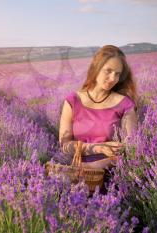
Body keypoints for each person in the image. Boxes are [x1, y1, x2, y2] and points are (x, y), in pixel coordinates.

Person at [58, 45, 138, 175]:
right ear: (96, 67)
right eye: (108, 71)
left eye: (117, 74)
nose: (113, 78)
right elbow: (65, 145)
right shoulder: (72, 101)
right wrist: (97, 148)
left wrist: (95, 165)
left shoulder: (125, 104)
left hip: (111, 176)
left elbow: (132, 147)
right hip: (78, 173)